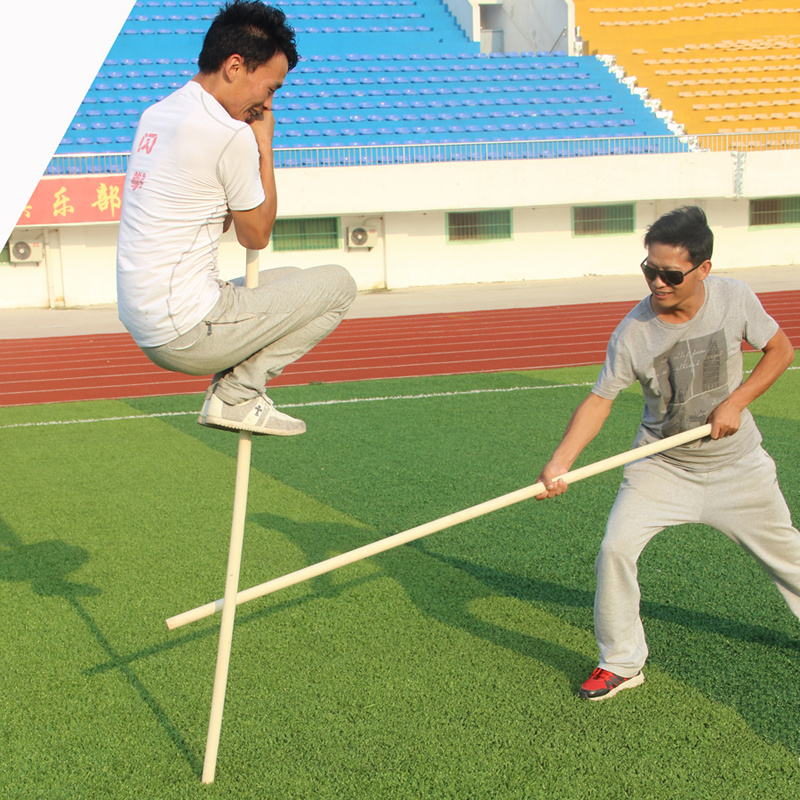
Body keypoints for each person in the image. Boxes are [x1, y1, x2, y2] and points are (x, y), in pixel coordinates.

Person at [536, 205, 798, 700]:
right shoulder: (633, 332)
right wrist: (561, 461)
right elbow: (600, 401)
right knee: (615, 550)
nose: (657, 283)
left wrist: (736, 402)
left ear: (703, 269)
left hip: (738, 465)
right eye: (649, 270)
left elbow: (781, 351)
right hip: (662, 465)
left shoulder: (734, 297)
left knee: (788, 556)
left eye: (670, 274)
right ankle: (621, 662)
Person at [116, 0, 357, 436]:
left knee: (293, 278)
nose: (266, 102)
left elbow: (213, 213)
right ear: (234, 66)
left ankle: (234, 392)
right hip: (186, 328)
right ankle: (237, 395)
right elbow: (256, 235)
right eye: (270, 89)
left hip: (145, 318)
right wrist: (264, 143)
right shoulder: (226, 134)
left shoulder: (157, 114)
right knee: (338, 284)